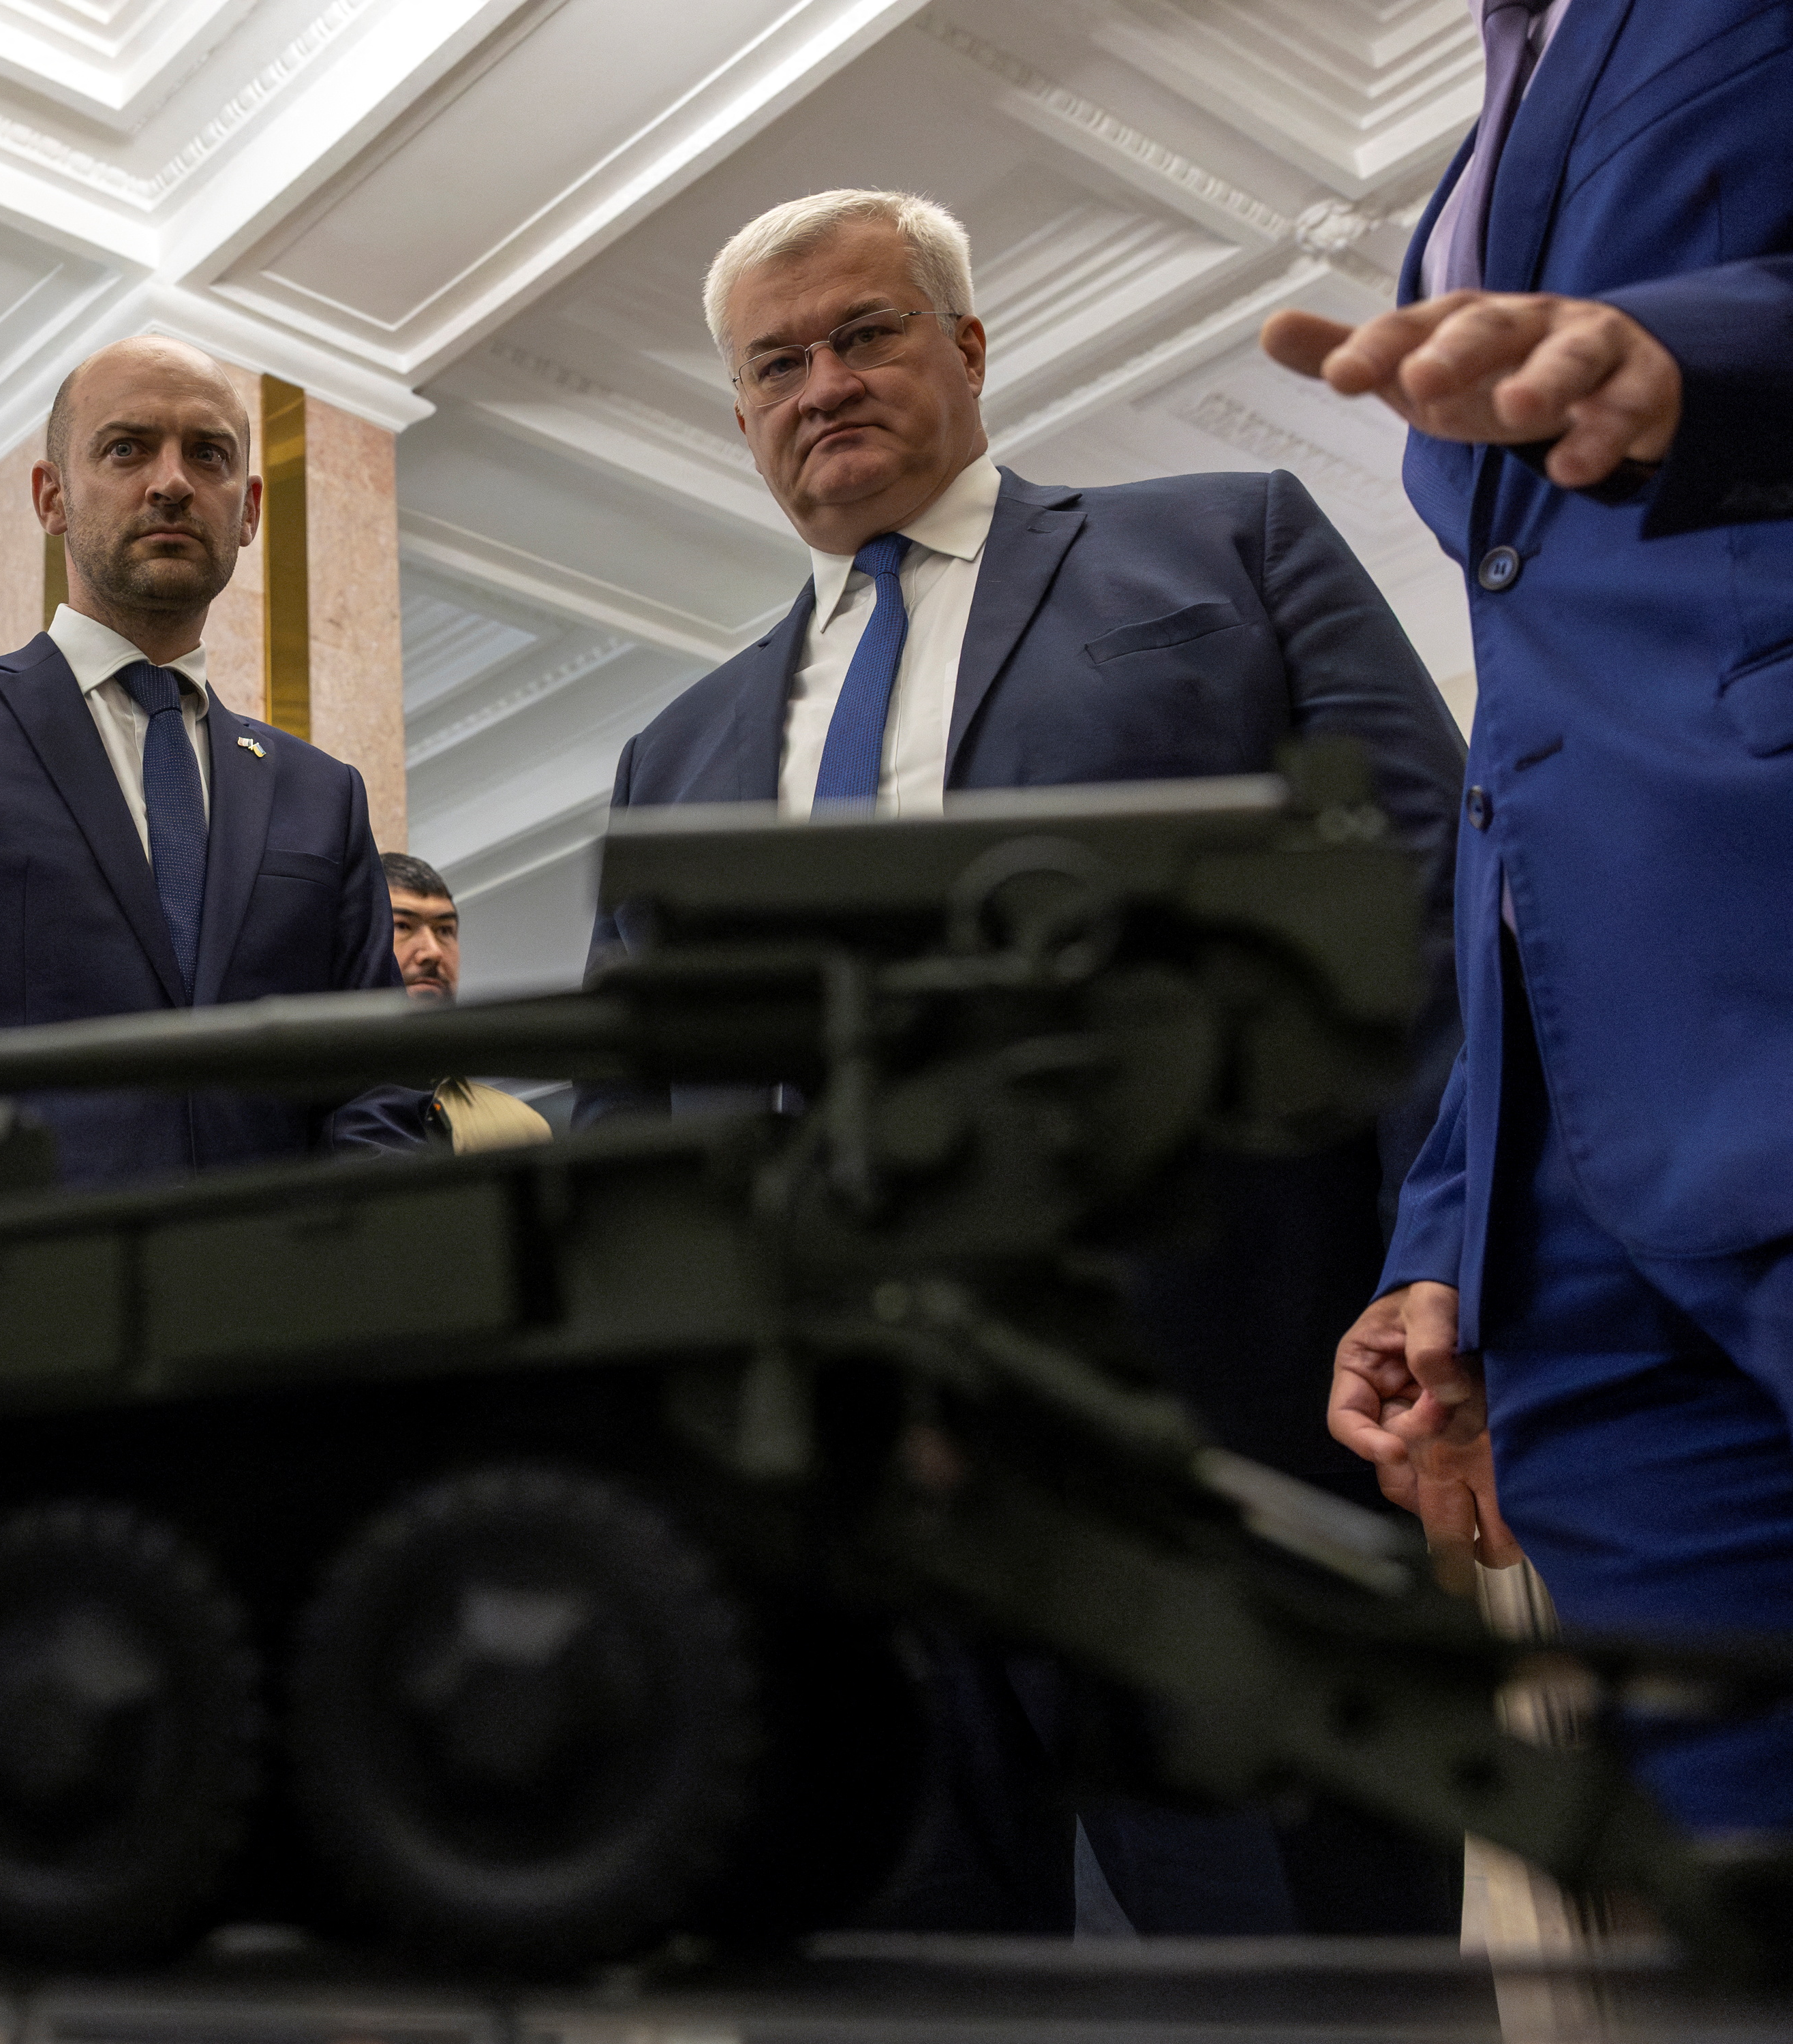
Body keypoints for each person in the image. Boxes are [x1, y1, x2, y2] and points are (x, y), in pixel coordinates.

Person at [581, 187, 1469, 1936]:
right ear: (738, 412)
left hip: (1213, 1439)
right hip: (834, 1512)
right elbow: (628, 1107)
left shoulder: (1225, 544)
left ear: (966, 345)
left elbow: (1423, 908)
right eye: (774, 363)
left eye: (863, 333)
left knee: (1300, 1971)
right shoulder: (673, 748)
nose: (820, 382)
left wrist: (1438, 1255)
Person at [1266, 0, 1793, 1842]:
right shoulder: (1470, 144)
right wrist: (1447, 1238)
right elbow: (1527, 748)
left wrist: (1687, 349)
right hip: (1574, 1248)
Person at [0, 332, 423, 1206]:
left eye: (208, 455)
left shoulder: (322, 794)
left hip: (276, 1309)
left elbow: (378, 1079)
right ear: (50, 497)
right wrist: (18, 1245)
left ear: (251, 510)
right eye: (126, 448)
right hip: (11, 1295)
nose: (171, 481)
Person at [380, 851, 549, 1153]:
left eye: (445, 930)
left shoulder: (517, 1130)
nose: (432, 952)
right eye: (403, 925)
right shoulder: (301, 1106)